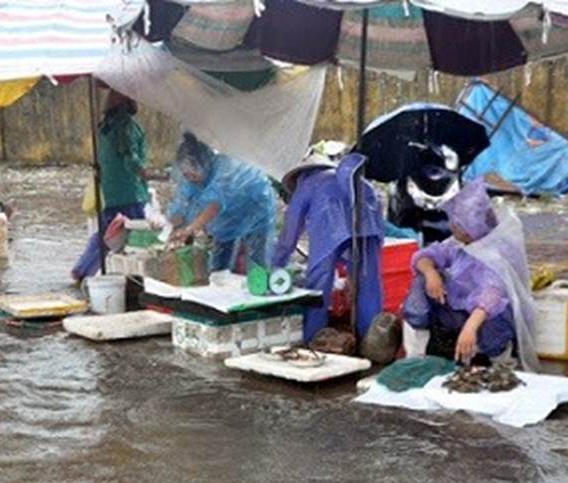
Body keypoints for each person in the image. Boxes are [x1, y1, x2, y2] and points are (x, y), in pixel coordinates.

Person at [401, 177, 539, 371]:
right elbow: (425, 256)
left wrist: (470, 328)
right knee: (421, 280)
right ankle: (416, 356)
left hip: (489, 319)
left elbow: (491, 296)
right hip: (460, 312)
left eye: (457, 224)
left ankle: (501, 360)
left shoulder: (495, 252)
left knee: (493, 326)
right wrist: (430, 272)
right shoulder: (458, 244)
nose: (452, 227)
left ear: (470, 229)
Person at [272, 151, 384, 343]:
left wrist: (275, 264)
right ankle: (372, 340)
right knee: (368, 282)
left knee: (318, 284)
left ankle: (312, 338)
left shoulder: (307, 185)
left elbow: (289, 234)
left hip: (331, 229)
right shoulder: (354, 179)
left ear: (299, 175)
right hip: (370, 226)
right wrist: (351, 274)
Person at [72, 90, 153, 281]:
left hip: (109, 192)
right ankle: (139, 279)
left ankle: (82, 270)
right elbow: (131, 158)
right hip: (130, 193)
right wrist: (144, 173)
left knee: (106, 233)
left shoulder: (104, 127)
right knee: (139, 236)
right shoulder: (127, 127)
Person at [168, 132, 276, 272]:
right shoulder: (192, 179)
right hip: (228, 215)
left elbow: (213, 207)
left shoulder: (225, 171)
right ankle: (219, 280)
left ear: (204, 164)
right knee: (220, 257)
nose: (189, 178)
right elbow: (181, 205)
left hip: (255, 208)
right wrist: (167, 226)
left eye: (192, 173)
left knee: (255, 260)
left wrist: (189, 229)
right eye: (185, 174)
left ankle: (257, 285)